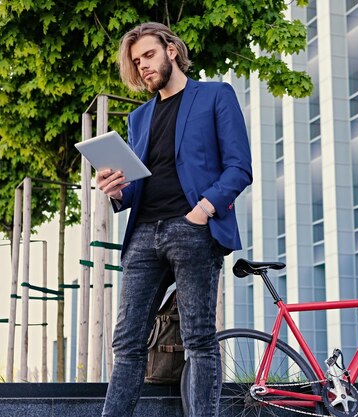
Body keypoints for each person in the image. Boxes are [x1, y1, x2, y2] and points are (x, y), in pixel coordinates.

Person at [95, 22, 252, 417]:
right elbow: (138, 185)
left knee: (198, 339)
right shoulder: (139, 118)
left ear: (171, 50)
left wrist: (203, 210)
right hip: (144, 234)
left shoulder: (216, 95)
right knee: (127, 342)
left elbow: (239, 168)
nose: (143, 66)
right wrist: (117, 190)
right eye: (136, 61)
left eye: (148, 55)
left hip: (192, 228)